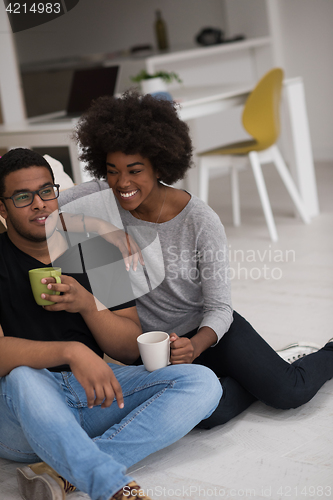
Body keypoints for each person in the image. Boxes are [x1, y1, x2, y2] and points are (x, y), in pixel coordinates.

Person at [59, 90, 333, 429]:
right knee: (208, 414)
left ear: (159, 164)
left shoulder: (200, 220)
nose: (122, 182)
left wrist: (196, 344)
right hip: (156, 346)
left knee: (289, 392)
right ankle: (260, 372)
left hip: (209, 331)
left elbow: (219, 308)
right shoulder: (100, 198)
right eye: (113, 171)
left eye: (134, 170)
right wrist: (102, 226)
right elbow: (46, 206)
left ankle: (322, 354)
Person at [0, 148, 222, 500]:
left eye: (46, 191)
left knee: (203, 383)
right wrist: (72, 352)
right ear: (2, 207)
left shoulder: (95, 250)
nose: (40, 204)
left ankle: (68, 468)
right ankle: (110, 485)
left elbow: (126, 345)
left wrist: (88, 305)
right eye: (23, 197)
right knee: (23, 376)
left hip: (92, 393)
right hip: (21, 414)